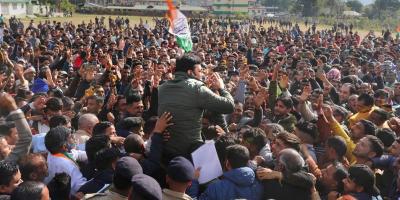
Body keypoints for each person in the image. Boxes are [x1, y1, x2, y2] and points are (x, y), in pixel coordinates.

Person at [158, 55, 235, 162]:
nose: (202, 74)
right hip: (192, 153)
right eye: (199, 71)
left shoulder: (161, 88)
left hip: (166, 151)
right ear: (190, 72)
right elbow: (229, 106)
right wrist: (222, 88)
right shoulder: (197, 87)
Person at [194, 144, 263, 200]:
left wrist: (194, 180)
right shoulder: (258, 185)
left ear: (227, 163)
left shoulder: (215, 188)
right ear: (248, 162)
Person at [44, 126, 87, 195]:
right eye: (70, 137)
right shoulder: (65, 164)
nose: (74, 138)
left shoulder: (55, 152)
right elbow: (80, 186)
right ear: (64, 146)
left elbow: (76, 154)